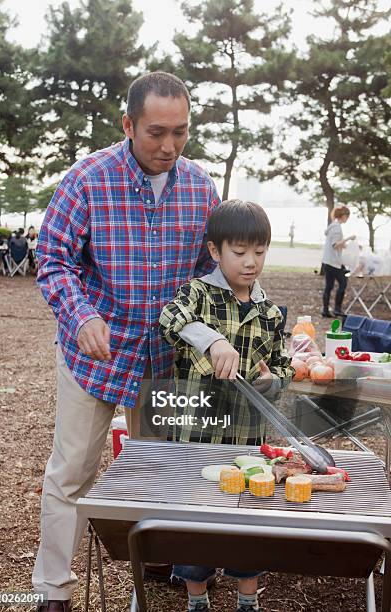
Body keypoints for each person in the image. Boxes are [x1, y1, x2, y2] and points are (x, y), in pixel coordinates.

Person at [33, 71, 220, 611]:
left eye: (180, 132)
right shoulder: (87, 178)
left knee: (161, 471)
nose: (169, 146)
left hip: (164, 359)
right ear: (128, 124)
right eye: (156, 132)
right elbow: (53, 260)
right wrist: (81, 315)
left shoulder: (200, 186)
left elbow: (212, 272)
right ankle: (52, 589)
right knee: (71, 473)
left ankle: (158, 558)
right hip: (93, 356)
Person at [159, 200, 293, 612]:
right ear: (215, 251)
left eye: (259, 251)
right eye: (239, 252)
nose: (251, 262)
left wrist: (275, 381)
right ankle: (196, 599)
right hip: (196, 435)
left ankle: (247, 598)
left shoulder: (269, 312)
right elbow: (168, 319)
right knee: (196, 519)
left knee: (247, 520)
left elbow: (285, 363)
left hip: (247, 439)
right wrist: (212, 340)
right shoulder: (198, 294)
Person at [321, 205, 356, 317]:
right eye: (347, 216)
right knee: (343, 283)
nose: (347, 219)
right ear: (343, 216)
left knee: (329, 286)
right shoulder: (336, 227)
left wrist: (348, 246)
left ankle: (325, 310)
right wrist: (349, 238)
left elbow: (336, 244)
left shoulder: (333, 226)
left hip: (328, 260)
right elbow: (335, 244)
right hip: (333, 262)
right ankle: (337, 309)